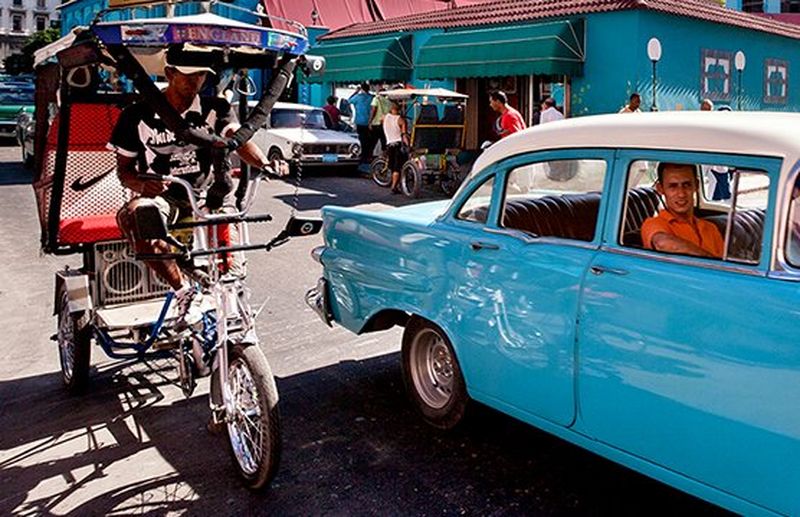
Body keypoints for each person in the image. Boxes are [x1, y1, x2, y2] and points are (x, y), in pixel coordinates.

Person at [109, 52, 272, 326]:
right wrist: (140, 183)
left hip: (207, 196)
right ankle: (183, 292)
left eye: (201, 74)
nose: (195, 80)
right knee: (137, 214)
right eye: (188, 73)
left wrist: (264, 162)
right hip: (164, 197)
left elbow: (235, 137)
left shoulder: (215, 107)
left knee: (231, 252)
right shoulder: (137, 114)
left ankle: (230, 299)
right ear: (170, 73)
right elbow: (123, 171)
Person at [641, 162, 724, 258]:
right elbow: (662, 243)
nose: (681, 194)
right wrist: (710, 262)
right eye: (673, 186)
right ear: (661, 189)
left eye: (687, 185)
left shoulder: (711, 228)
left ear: (696, 185)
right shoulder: (653, 223)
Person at [383, 101, 408, 194]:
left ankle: (396, 184)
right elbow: (404, 135)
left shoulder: (384, 117)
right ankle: (394, 187)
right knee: (397, 167)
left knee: (393, 166)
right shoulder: (401, 120)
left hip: (389, 144)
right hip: (398, 145)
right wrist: (409, 146)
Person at [348, 83, 374, 165]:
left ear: (361, 89)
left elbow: (349, 100)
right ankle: (367, 155)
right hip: (370, 122)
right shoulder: (372, 97)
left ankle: (363, 156)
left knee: (361, 139)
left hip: (360, 121)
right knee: (369, 140)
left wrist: (356, 92)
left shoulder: (358, 98)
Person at [369, 85, 392, 154]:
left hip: (376, 123)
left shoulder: (376, 99)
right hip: (385, 123)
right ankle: (385, 155)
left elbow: (373, 110)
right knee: (384, 140)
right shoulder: (389, 101)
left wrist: (370, 121)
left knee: (372, 141)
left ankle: (369, 156)